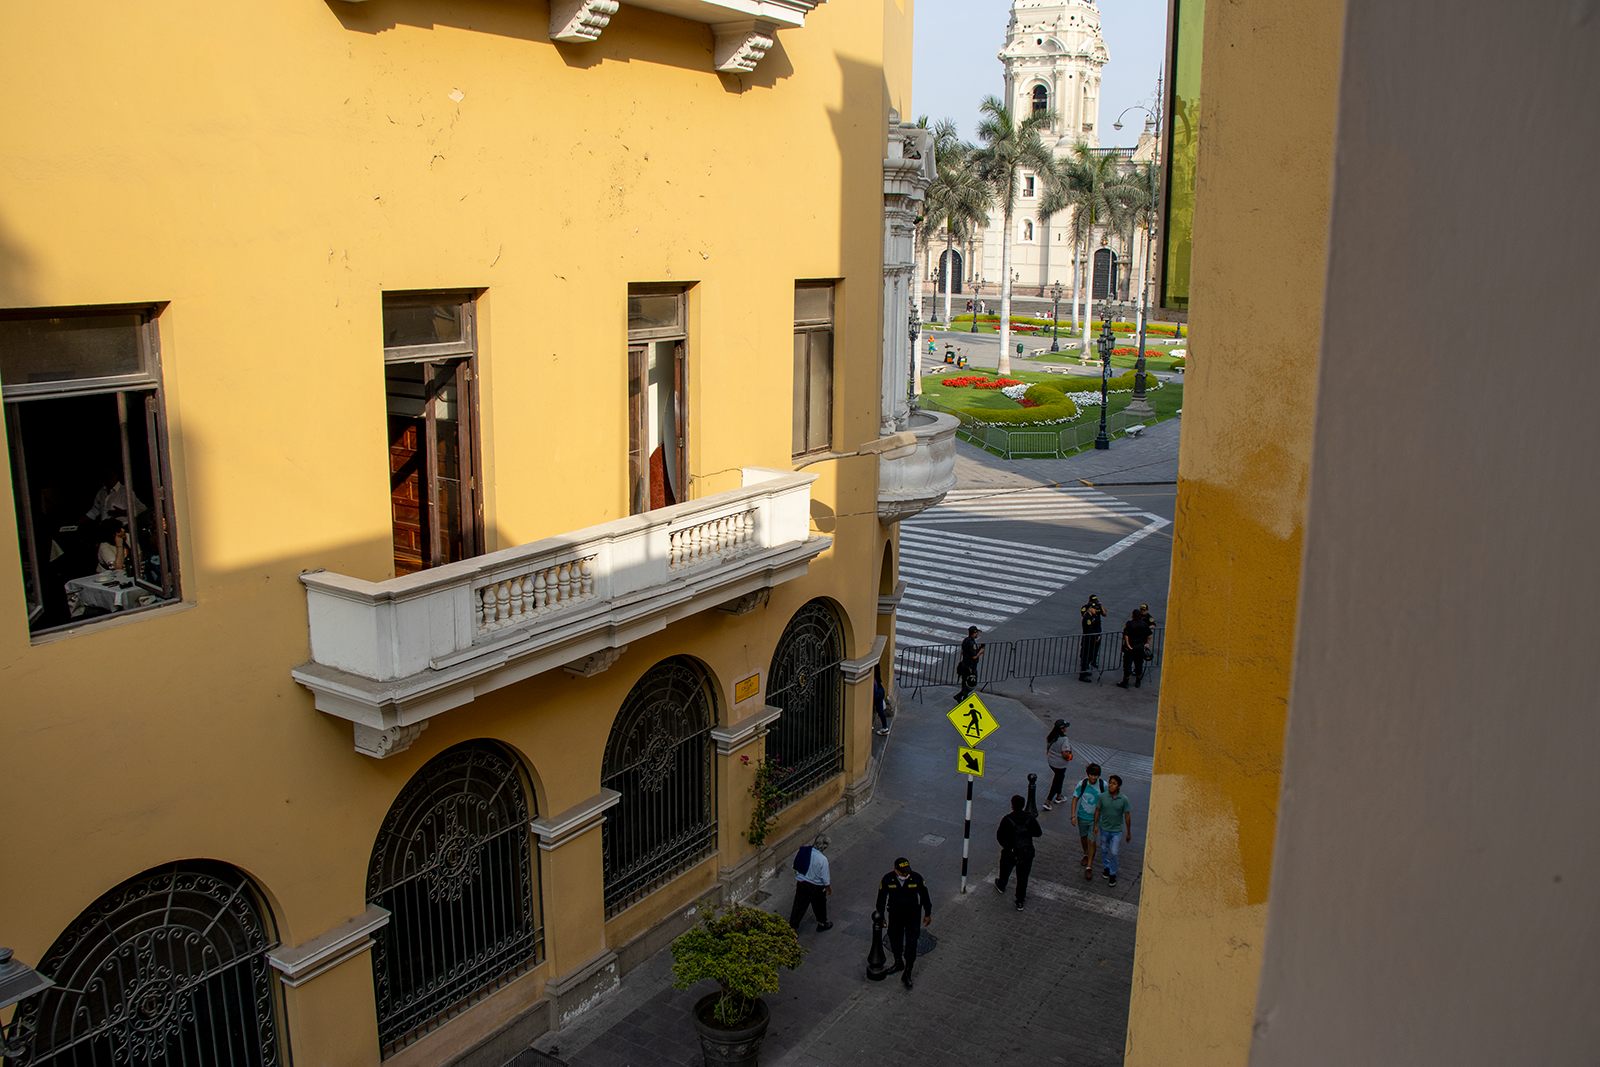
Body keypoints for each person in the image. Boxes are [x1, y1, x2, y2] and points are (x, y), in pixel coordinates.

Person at [875, 858, 932, 989]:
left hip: (912, 917)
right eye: (903, 872)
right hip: (895, 916)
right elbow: (881, 898)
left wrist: (927, 913)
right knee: (895, 939)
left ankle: (908, 972)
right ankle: (898, 962)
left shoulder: (916, 878)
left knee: (911, 943)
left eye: (907, 872)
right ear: (896, 870)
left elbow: (924, 896)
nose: (906, 874)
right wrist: (881, 915)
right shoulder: (888, 879)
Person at [994, 795, 1041, 910]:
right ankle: (1020, 901)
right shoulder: (1030, 818)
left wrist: (1006, 845)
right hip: (1026, 852)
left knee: (1005, 869)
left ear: (1012, 805)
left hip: (1010, 851)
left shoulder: (1007, 820)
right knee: (1023, 877)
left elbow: (999, 836)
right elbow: (1038, 833)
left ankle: (1002, 884)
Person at [1091, 774, 1133, 887]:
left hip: (1116, 830)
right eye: (1110, 783)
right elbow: (1098, 810)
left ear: (1119, 787)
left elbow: (1127, 816)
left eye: (1114, 784)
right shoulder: (1103, 797)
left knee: (1114, 852)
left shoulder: (1124, 800)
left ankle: (1113, 873)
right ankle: (1106, 867)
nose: (1110, 785)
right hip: (1104, 828)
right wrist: (1095, 825)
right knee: (1104, 849)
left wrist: (1128, 832)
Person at [788, 834, 833, 931]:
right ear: (824, 846)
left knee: (799, 906)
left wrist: (800, 877)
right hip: (816, 887)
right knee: (819, 906)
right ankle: (822, 924)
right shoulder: (823, 860)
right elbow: (825, 879)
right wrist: (828, 889)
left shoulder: (804, 851)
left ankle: (792, 927)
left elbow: (795, 867)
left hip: (802, 884)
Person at [1072, 764, 1106, 877]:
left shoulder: (1103, 785)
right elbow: (1075, 798)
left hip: (1095, 819)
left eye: (1096, 775)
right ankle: (1085, 853)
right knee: (1083, 837)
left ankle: (1089, 867)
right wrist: (1073, 816)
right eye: (1092, 775)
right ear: (1088, 775)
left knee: (1092, 841)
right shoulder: (1082, 784)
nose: (1094, 778)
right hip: (1082, 816)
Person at [1040, 720, 1073, 809]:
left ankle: (1059, 796)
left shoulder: (1051, 736)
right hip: (1060, 764)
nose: (1066, 728)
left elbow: (1048, 747)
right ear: (1062, 729)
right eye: (1065, 726)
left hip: (1051, 762)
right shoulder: (1064, 739)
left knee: (1060, 777)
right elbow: (1064, 754)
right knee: (1057, 781)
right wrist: (1070, 757)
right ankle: (1048, 801)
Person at [1118, 608, 1154, 689]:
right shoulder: (1144, 624)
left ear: (1133, 615)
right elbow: (1150, 634)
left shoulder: (1129, 624)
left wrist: (1127, 645)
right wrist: (1147, 643)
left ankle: (1125, 682)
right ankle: (1138, 681)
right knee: (1139, 664)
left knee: (1127, 665)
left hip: (1131, 648)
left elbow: (1126, 635)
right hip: (1140, 647)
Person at [1079, 594, 1107, 681]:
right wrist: (1095, 636)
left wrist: (1098, 635)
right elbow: (1089, 630)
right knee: (1086, 656)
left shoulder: (1093, 615)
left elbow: (1097, 624)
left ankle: (1085, 670)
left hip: (1094, 639)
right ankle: (1082, 674)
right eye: (1094, 608)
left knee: (1090, 655)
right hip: (1088, 640)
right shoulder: (1087, 618)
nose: (1096, 610)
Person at [955, 626, 985, 702]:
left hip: (964, 663)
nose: (978, 634)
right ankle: (960, 695)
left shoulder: (966, 640)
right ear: (974, 633)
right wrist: (980, 652)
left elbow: (968, 651)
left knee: (964, 680)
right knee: (972, 682)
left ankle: (965, 696)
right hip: (970, 666)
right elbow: (974, 656)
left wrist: (978, 649)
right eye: (977, 632)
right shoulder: (971, 642)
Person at [872, 666, 891, 736]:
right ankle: (885, 727)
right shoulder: (877, 675)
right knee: (880, 711)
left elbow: (874, 689)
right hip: (881, 691)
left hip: (876, 693)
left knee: (870, 709)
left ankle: (870, 725)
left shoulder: (872, 678)